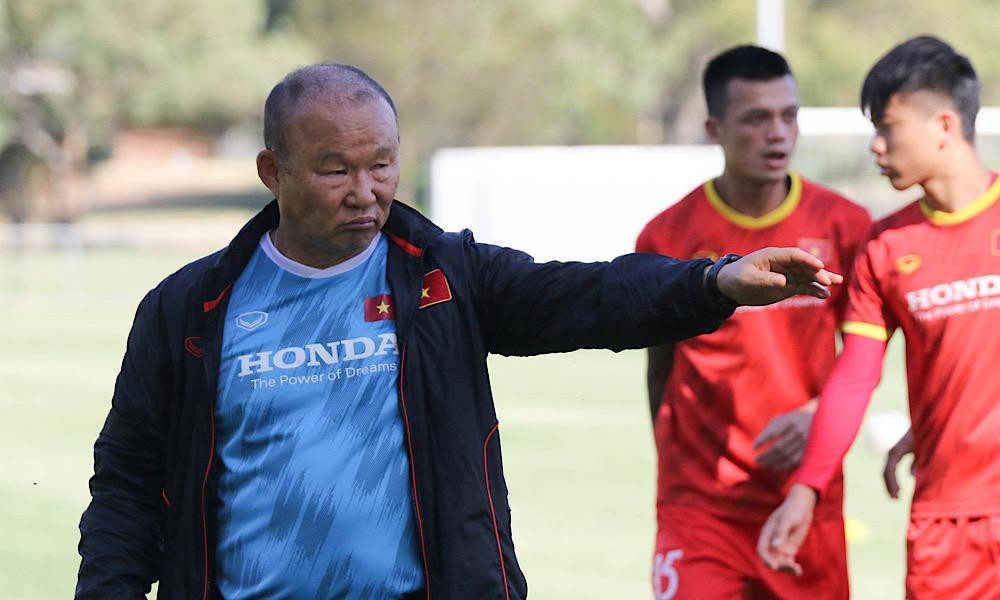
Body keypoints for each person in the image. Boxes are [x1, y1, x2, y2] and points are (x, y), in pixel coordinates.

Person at [75, 63, 843, 600]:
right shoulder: (190, 311)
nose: (365, 192)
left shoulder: (443, 277)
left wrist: (714, 282)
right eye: (335, 170)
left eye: (382, 165)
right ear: (272, 172)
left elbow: (587, 294)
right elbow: (128, 487)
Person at [757, 36, 1000, 599]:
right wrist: (806, 489)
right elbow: (855, 377)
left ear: (943, 124)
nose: (876, 145)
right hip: (945, 525)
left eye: (888, 127)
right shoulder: (886, 247)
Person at [635, 45, 870, 600]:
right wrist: (676, 471)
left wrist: (818, 416)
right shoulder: (667, 235)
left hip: (804, 500)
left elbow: (866, 358)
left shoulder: (845, 224)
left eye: (789, 116)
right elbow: (659, 365)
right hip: (700, 508)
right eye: (757, 118)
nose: (778, 133)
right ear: (714, 129)